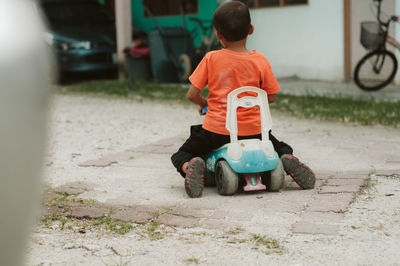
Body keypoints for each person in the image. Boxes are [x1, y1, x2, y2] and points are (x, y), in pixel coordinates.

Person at [171, 1, 315, 198]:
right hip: (256, 132)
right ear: (251, 30)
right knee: (280, 145)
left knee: (182, 154)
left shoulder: (211, 59)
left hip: (218, 132)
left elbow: (191, 94)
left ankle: (190, 166)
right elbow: (270, 97)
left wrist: (204, 103)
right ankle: (285, 158)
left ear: (218, 35)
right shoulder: (261, 61)